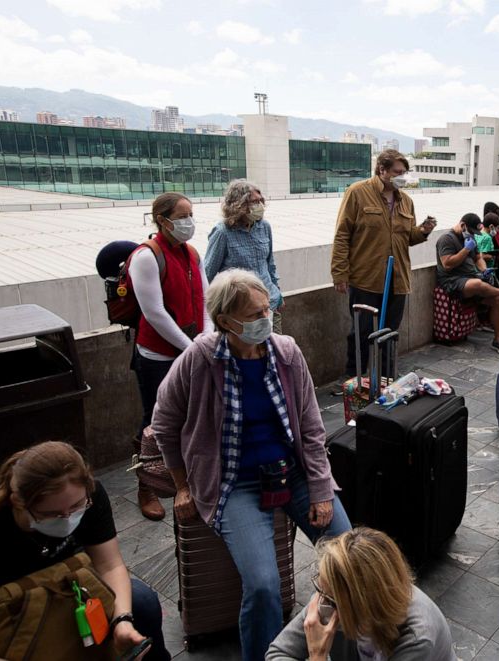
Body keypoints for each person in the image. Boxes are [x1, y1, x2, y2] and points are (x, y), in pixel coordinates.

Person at [151, 269, 352, 661]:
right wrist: (182, 485)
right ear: (225, 321)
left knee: (348, 559)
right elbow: (164, 422)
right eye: (256, 313)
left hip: (290, 472)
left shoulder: (286, 352)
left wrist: (320, 489)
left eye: (268, 308)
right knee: (263, 586)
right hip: (233, 483)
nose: (267, 318)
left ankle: (342, 645)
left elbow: (311, 427)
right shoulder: (199, 359)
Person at [0, 441, 170, 661]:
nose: (67, 519)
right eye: (52, 514)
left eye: (76, 508)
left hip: (73, 591)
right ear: (18, 502)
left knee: (142, 602)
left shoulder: (90, 496)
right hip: (8, 620)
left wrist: (122, 620)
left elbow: (109, 564)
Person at [129, 192, 213, 521]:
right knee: (153, 421)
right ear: (162, 220)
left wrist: (204, 337)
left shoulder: (191, 252)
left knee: (189, 416)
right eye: (182, 216)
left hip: (189, 349)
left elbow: (205, 297)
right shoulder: (146, 257)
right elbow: (155, 314)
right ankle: (146, 485)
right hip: (157, 355)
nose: (188, 222)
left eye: (191, 214)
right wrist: (192, 347)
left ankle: (183, 479)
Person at [266, 528, 453, 661]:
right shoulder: (332, 596)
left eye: (331, 599)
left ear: (363, 604)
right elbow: (278, 653)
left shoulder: (416, 637)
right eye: (321, 589)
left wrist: (318, 656)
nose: (320, 602)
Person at [331, 149, 437, 378]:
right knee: (361, 333)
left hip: (398, 281)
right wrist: (340, 274)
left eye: (405, 172)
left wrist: (423, 231)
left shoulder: (406, 201)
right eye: (398, 172)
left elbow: (408, 237)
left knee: (389, 334)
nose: (403, 177)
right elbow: (342, 235)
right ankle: (355, 380)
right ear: (382, 170)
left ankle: (387, 379)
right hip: (366, 280)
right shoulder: (357, 193)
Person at [436, 213, 499, 356]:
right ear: (463, 226)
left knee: (495, 299)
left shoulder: (470, 239)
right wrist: (465, 250)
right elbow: (447, 264)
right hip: (452, 281)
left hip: (471, 277)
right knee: (478, 284)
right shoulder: (446, 239)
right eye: (471, 231)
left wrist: (484, 269)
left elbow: (478, 258)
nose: (473, 235)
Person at [206, 179, 285, 333]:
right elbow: (208, 273)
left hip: (269, 303)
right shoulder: (222, 232)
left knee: (275, 351)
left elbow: (270, 264)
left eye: (260, 201)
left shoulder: (264, 227)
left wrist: (278, 291)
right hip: (241, 310)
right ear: (239, 205)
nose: (260, 206)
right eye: (254, 202)